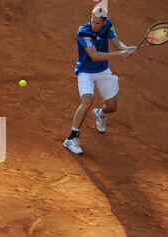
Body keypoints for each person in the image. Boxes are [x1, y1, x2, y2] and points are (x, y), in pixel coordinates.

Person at [63, 6, 136, 154]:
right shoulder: (83, 32)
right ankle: (71, 138)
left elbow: (117, 42)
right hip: (85, 72)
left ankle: (100, 114)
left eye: (98, 23)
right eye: (93, 21)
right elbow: (94, 55)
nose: (94, 25)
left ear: (103, 22)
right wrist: (120, 53)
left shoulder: (108, 24)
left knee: (112, 107)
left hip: (103, 71)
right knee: (87, 101)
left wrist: (126, 48)